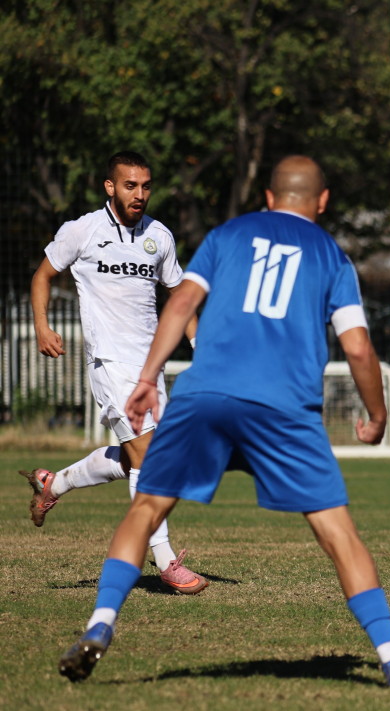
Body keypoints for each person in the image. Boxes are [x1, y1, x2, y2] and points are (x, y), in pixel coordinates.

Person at [58, 156, 390, 688]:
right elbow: (357, 346)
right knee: (338, 534)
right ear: (322, 202)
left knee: (147, 506)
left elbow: (181, 302)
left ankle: (99, 625)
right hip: (283, 407)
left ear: (267, 197)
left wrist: (149, 376)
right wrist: (376, 415)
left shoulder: (227, 235)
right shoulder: (331, 255)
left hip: (205, 392)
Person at [24, 151, 206, 594]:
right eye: (130, 185)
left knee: (132, 459)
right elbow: (42, 277)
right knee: (151, 458)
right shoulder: (82, 230)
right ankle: (164, 560)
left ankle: (55, 482)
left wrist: (200, 345)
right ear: (110, 187)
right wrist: (42, 327)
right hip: (110, 362)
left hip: (150, 368)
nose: (139, 194)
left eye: (146, 186)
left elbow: (179, 297)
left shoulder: (159, 236)